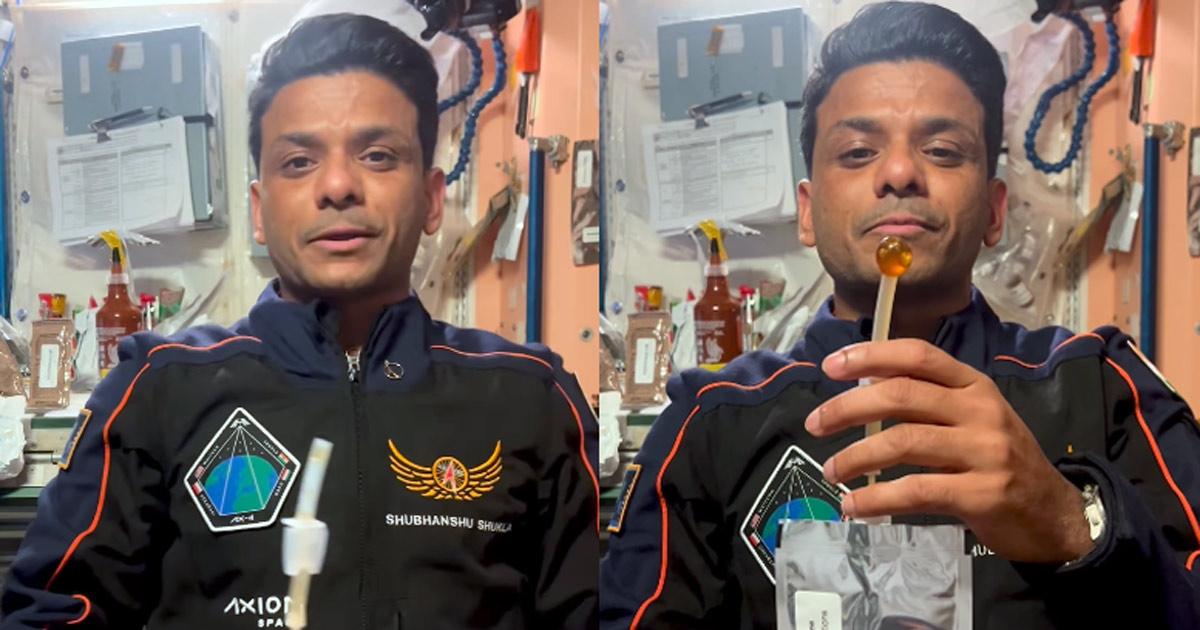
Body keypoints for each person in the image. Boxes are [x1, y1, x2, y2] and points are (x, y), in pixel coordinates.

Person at [600, 3, 1200, 628]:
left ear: (995, 211)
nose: (899, 173)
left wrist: (1073, 523)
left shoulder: (1098, 386)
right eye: (858, 152)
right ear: (807, 212)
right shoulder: (711, 420)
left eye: (942, 150)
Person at [2, 14, 598, 629]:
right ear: (260, 212)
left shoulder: (530, 398)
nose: (338, 185)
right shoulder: (157, 391)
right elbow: (51, 611)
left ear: (430, 198)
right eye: (298, 162)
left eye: (378, 155)